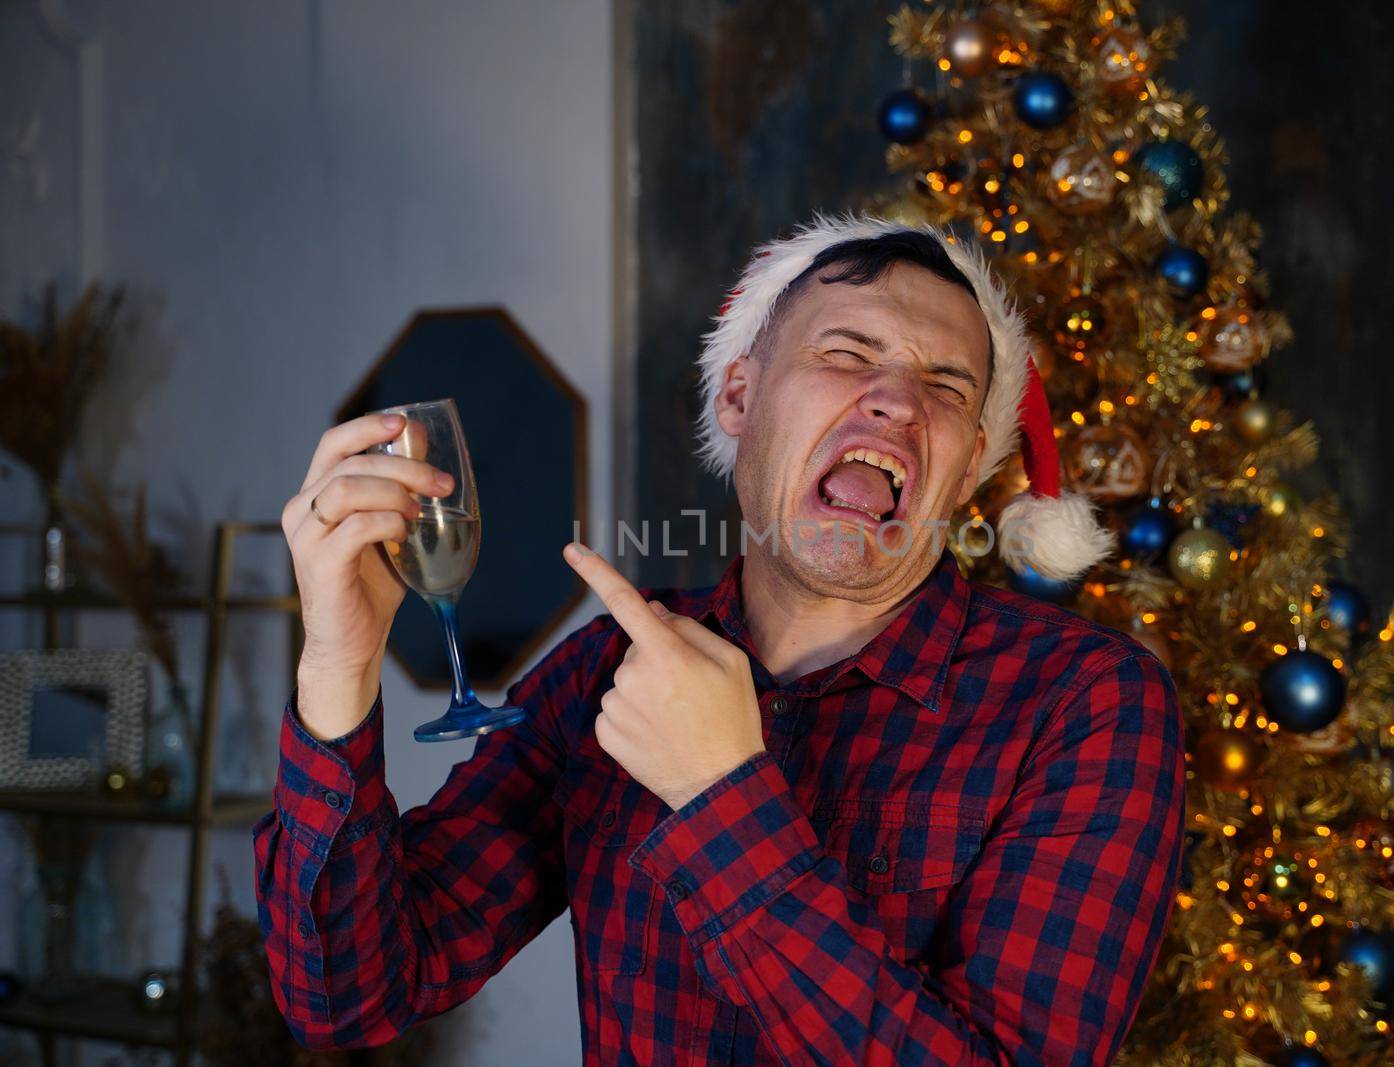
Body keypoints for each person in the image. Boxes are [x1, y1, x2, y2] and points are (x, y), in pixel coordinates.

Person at [256, 212, 1187, 1065]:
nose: (896, 401)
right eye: (847, 349)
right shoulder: (611, 670)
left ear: (967, 470)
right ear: (740, 397)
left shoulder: (1087, 702)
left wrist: (716, 792)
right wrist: (338, 669)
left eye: (946, 385)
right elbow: (345, 996)